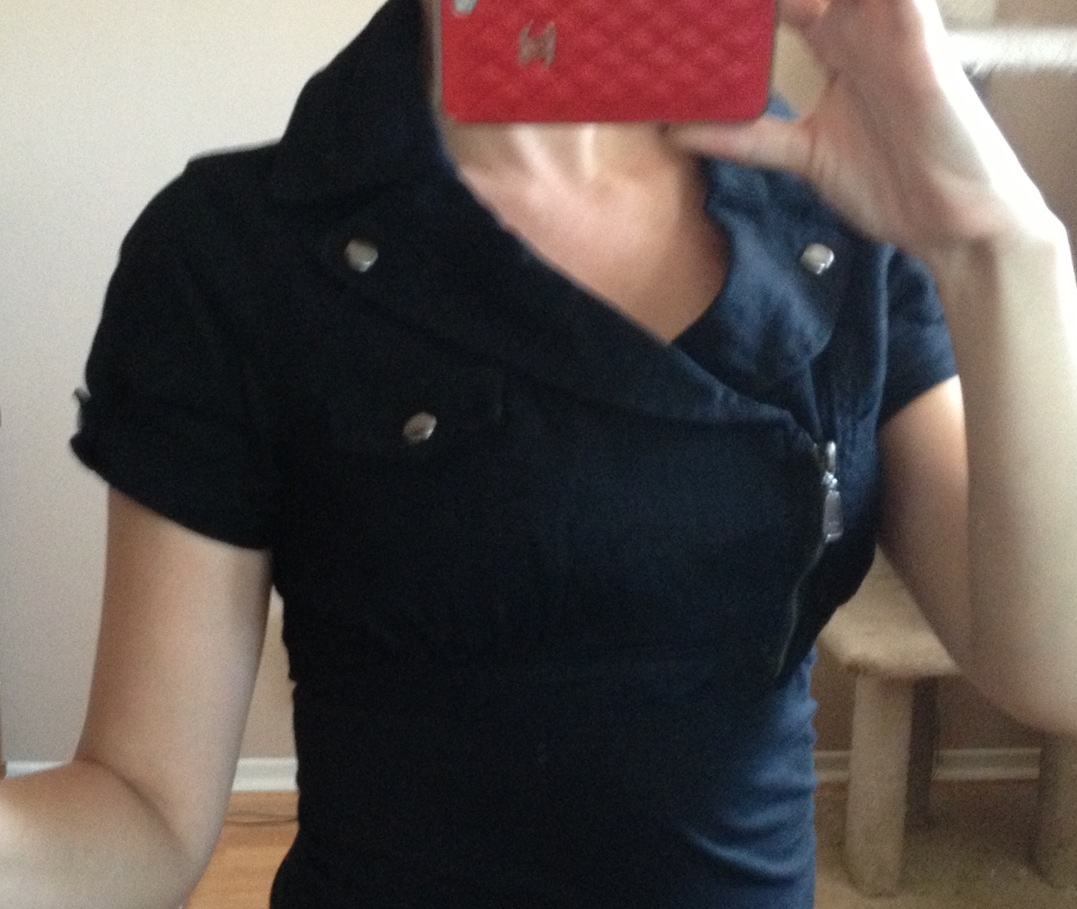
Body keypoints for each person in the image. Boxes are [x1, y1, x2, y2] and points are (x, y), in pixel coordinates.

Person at [2, 0, 1076, 906]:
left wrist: (1000, 242)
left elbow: (1051, 669)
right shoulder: (231, 251)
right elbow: (141, 812)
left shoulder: (842, 209)